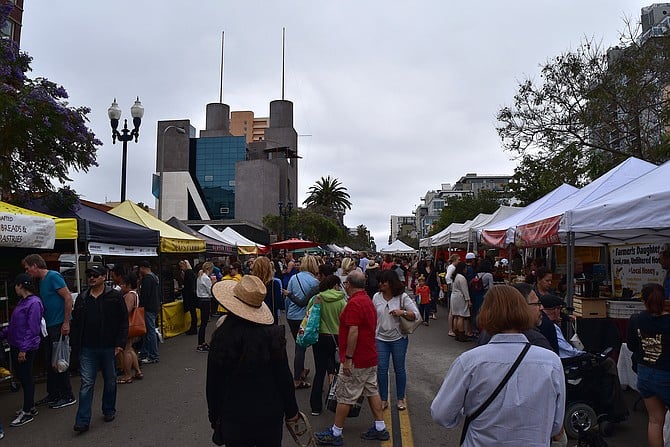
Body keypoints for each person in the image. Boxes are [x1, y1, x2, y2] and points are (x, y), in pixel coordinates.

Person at [431, 285, 565, 446]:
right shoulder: (551, 362)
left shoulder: (470, 362)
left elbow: (442, 415)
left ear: (485, 314)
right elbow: (555, 424)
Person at [206, 275, 299, 446]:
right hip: (269, 414)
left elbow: (213, 382)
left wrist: (214, 415)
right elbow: (283, 376)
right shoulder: (273, 335)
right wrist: (291, 409)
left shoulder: (222, 336)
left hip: (234, 415)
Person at [314, 270, 389, 445]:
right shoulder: (367, 300)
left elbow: (353, 331)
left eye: (346, 283)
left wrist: (348, 358)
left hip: (357, 358)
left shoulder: (355, 303)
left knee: (345, 395)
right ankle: (380, 427)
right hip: (369, 356)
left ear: (349, 284)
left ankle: (336, 432)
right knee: (372, 390)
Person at [70, 265, 128, 433]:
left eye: (95, 275)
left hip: (109, 347)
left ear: (104, 277)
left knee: (110, 380)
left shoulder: (114, 296)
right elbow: (76, 323)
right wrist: (76, 346)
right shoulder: (82, 298)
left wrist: (120, 343)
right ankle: (82, 421)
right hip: (87, 348)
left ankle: (109, 409)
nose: (92, 278)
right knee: (87, 383)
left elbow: (123, 321)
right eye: (90, 275)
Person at [22, 253, 76, 409]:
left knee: (59, 360)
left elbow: (67, 298)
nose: (27, 272)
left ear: (35, 266)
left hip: (58, 325)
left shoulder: (53, 276)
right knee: (50, 361)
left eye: (27, 268)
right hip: (50, 326)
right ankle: (54, 393)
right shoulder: (42, 281)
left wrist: (66, 322)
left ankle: (67, 395)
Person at [628, 283, 670, 447]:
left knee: (654, 420)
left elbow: (631, 346)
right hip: (666, 374)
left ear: (644, 301)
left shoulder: (636, 319)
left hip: (645, 374)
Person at [373, 269, 419, 412]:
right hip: (380, 338)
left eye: (383, 282)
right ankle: (383, 399)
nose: (380, 284)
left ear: (391, 283)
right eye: (379, 281)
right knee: (381, 370)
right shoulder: (376, 297)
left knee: (399, 369)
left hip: (398, 338)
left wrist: (402, 312)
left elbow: (415, 315)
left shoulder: (402, 297)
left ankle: (400, 398)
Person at [1, 274, 43, 427]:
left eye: (16, 285)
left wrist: (23, 350)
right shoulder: (22, 302)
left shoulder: (34, 303)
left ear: (20, 286)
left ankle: (27, 410)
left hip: (26, 347)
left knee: (26, 377)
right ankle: (29, 406)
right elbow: (15, 324)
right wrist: (3, 334)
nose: (14, 288)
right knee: (22, 376)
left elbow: (32, 329)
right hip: (17, 344)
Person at [309, 274, 347, 416]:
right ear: (335, 285)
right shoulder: (341, 300)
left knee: (320, 371)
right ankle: (339, 403)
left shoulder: (316, 298)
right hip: (337, 339)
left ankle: (315, 406)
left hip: (320, 337)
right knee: (340, 372)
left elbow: (309, 316)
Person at [477, 282, 552, 351]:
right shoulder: (536, 341)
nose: (541, 307)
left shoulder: (485, 335)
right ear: (521, 306)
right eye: (537, 303)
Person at [285, 255, 320, 388]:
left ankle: (301, 370)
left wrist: (288, 313)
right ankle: (297, 378)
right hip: (306, 317)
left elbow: (288, 299)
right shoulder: (315, 282)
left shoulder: (294, 278)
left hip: (292, 316)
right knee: (302, 348)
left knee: (298, 346)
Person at [117, 273, 143, 384]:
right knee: (130, 349)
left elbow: (125, 312)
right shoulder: (135, 294)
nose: (121, 286)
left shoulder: (129, 295)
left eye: (123, 284)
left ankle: (127, 375)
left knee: (126, 350)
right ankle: (137, 370)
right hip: (132, 325)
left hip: (127, 325)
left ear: (128, 284)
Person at [138, 260, 160, 364]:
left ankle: (153, 355)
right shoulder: (154, 277)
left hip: (148, 308)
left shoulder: (147, 279)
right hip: (154, 306)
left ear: (143, 268)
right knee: (148, 331)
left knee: (150, 332)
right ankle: (144, 352)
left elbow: (144, 295)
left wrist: (140, 307)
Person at [251, 256, 283, 325]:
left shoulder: (251, 283)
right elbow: (279, 304)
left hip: (253, 318)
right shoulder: (274, 284)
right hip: (270, 318)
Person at [470, 259, 494, 336]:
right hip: (485, 295)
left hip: (476, 294)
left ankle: (474, 329)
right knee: (484, 312)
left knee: (476, 311)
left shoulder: (477, 274)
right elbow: (491, 288)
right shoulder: (489, 275)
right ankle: (482, 329)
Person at [450, 262, 472, 342]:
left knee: (456, 316)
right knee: (461, 316)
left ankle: (457, 333)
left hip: (454, 296)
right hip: (460, 297)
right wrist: (468, 300)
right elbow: (465, 290)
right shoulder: (462, 278)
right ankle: (462, 334)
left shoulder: (455, 276)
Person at [196, 261, 214, 353]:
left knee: (203, 323)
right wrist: (213, 283)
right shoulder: (206, 278)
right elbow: (210, 291)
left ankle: (201, 342)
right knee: (204, 323)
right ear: (208, 269)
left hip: (201, 300)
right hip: (205, 300)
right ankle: (201, 343)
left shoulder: (200, 277)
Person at [179, 260, 197, 335]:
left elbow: (187, 285)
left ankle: (193, 328)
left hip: (190, 296)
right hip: (192, 295)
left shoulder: (188, 273)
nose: (181, 268)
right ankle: (193, 328)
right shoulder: (191, 272)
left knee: (192, 312)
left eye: (181, 266)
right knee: (193, 313)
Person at [445, 254, 460, 337]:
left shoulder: (451, 267)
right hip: (452, 288)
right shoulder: (452, 267)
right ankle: (451, 329)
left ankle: (452, 329)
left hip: (451, 288)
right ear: (454, 260)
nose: (459, 261)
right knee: (451, 311)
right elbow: (447, 277)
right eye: (458, 260)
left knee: (452, 310)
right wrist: (451, 284)